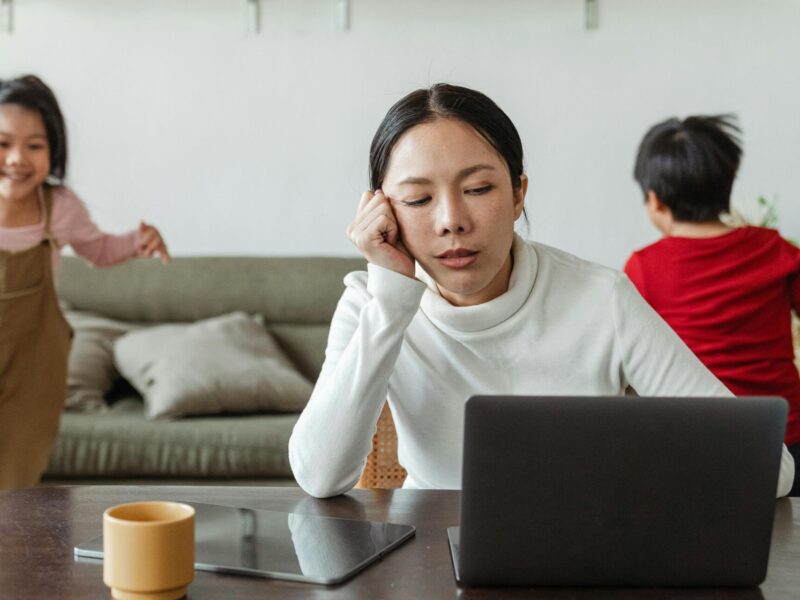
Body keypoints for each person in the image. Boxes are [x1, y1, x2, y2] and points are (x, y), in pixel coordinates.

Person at [288, 85, 794, 498]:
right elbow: (318, 476)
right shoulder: (370, 303)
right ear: (383, 211)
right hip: (428, 556)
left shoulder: (602, 298)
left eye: (479, 189)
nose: (451, 222)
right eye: (418, 198)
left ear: (517, 195)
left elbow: (770, 470)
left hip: (586, 550)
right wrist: (391, 299)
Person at [0, 75, 169, 489]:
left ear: (53, 151)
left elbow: (99, 250)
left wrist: (137, 241)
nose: (17, 158)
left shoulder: (59, 208)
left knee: (13, 487)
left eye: (34, 145)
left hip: (31, 370)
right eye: (3, 143)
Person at [623, 114, 800, 495]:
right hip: (786, 435)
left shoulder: (643, 267)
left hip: (697, 441)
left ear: (654, 199)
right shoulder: (774, 249)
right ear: (727, 186)